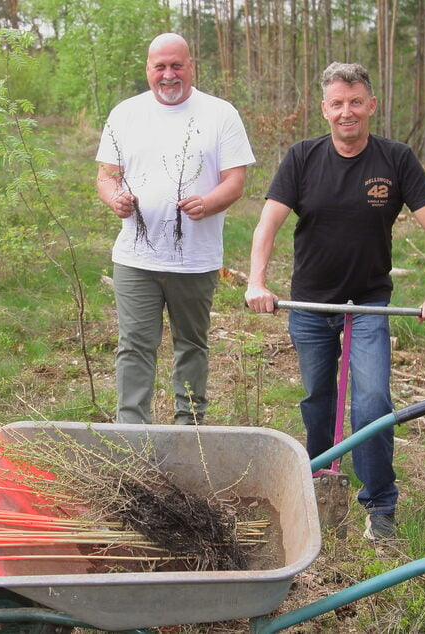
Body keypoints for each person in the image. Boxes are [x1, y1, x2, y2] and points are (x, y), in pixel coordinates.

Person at [244, 62, 425, 540]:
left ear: (371, 105)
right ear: (325, 109)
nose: (346, 112)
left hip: (369, 302)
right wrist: (257, 281)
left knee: (374, 400)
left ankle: (380, 505)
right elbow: (267, 224)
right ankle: (319, 483)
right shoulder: (302, 157)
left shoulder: (396, 159)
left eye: (355, 102)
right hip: (312, 305)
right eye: (337, 103)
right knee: (319, 397)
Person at [96, 33, 255, 425]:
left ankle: (189, 429)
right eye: (160, 67)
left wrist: (210, 202)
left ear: (191, 66)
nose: (168, 75)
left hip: (196, 260)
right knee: (134, 346)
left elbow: (235, 181)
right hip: (135, 259)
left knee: (191, 345)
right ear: (148, 70)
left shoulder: (220, 114)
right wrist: (114, 196)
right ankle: (132, 434)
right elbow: (106, 175)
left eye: (176, 66)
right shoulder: (125, 114)